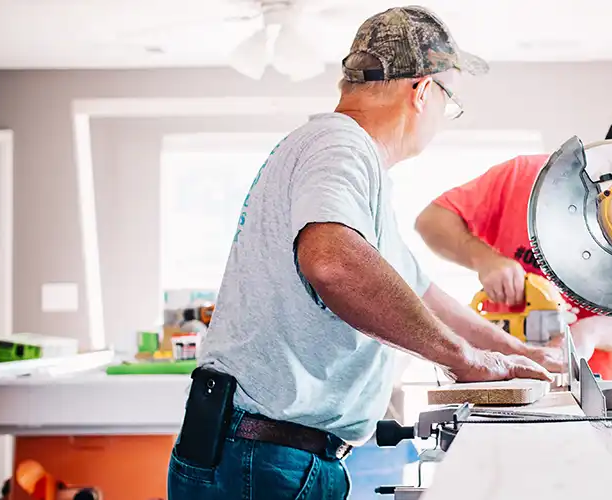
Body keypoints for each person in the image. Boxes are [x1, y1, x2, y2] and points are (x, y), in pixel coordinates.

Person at [166, 6, 562, 499]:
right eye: (449, 100)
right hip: (264, 459)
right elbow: (333, 262)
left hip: (263, 452)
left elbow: (423, 292)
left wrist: (512, 352)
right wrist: (464, 359)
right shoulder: (340, 144)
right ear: (422, 91)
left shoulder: (346, 162)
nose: (444, 117)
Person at [415, 120, 612, 381]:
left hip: (591, 388)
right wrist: (484, 259)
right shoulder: (525, 177)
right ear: (604, 153)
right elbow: (431, 220)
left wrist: (593, 332)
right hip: (498, 372)